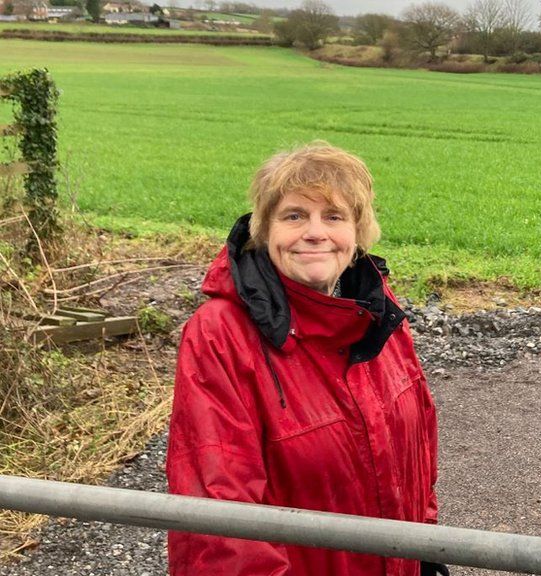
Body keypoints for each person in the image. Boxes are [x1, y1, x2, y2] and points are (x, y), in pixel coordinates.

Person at [166, 142, 445, 576]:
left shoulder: (378, 312)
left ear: (358, 233)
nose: (315, 232)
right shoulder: (221, 334)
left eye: (333, 217)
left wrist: (425, 547)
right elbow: (219, 518)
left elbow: (419, 443)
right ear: (265, 229)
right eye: (294, 215)